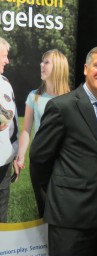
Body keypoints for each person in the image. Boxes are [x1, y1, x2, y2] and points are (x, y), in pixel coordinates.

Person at [29, 46, 97, 256]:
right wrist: (57, 195)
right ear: (85, 69)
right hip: (70, 217)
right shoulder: (62, 106)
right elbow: (39, 158)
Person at [16, 49, 71, 218]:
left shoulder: (72, 99)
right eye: (42, 61)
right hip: (40, 162)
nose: (41, 65)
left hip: (65, 163)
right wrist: (20, 156)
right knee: (43, 210)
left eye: (46, 62)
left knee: (63, 211)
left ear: (59, 67)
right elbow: (26, 130)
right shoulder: (35, 96)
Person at [0, 36, 19, 223]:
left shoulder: (5, 84)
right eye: (4, 56)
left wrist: (14, 154)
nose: (7, 60)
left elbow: (13, 126)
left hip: (3, 161)